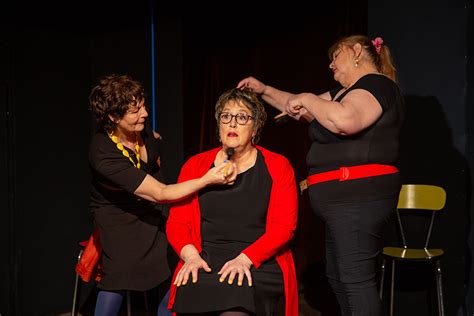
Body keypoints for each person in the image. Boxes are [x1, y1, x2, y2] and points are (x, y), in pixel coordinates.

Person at [237, 35, 405, 316]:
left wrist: (307, 99)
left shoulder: (376, 84)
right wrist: (263, 90)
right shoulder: (342, 94)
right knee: (340, 279)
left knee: (355, 282)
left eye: (335, 56)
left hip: (358, 200)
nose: (330, 65)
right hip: (341, 203)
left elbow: (345, 121)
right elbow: (297, 106)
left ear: (356, 52)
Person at [88, 74, 236, 316]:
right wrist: (208, 178)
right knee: (121, 274)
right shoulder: (102, 152)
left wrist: (154, 142)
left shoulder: (141, 130)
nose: (144, 113)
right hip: (118, 215)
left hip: (150, 208)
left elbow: (153, 145)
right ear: (113, 117)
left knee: (171, 263)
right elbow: (160, 193)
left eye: (143, 105)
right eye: (135, 111)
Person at [165, 88, 299, 315]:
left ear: (255, 127)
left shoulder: (278, 166)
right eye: (226, 116)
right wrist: (191, 257)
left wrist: (245, 259)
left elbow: (284, 228)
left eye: (242, 117)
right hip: (205, 259)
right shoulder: (195, 166)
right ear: (219, 125)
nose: (233, 124)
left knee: (236, 297)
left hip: (259, 260)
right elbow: (177, 224)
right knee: (191, 289)